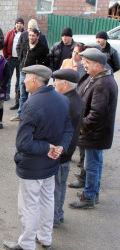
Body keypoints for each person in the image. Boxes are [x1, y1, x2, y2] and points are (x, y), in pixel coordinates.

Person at [3, 65, 73, 250]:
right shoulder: (62, 99)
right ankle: (45, 238)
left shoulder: (31, 105)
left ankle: (26, 243)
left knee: (29, 205)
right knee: (47, 200)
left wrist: (49, 147)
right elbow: (69, 128)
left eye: (26, 77)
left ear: (35, 80)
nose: (23, 80)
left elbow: (23, 143)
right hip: (51, 162)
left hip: (34, 165)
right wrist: (60, 148)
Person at [68, 48, 118, 209]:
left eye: (87, 62)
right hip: (94, 133)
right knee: (94, 163)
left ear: (98, 64)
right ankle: (93, 192)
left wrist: (81, 127)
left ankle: (89, 196)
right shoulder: (97, 77)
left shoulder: (103, 83)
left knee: (92, 165)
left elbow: (96, 115)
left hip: (94, 134)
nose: (83, 64)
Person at [52, 69, 84, 228]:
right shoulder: (73, 98)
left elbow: (61, 130)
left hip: (61, 153)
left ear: (64, 83)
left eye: (56, 80)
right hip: (65, 151)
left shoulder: (68, 102)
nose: (54, 83)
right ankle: (58, 214)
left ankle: (55, 217)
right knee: (59, 185)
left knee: (56, 187)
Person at [10, 28, 49, 122]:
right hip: (24, 73)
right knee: (22, 95)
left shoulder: (43, 47)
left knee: (35, 96)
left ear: (38, 37)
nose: (31, 37)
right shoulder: (25, 44)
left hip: (35, 75)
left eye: (33, 36)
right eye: (30, 35)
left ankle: (33, 116)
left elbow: (46, 62)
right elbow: (22, 56)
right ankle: (20, 114)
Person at [3, 17, 25, 106]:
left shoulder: (25, 33)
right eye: (17, 23)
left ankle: (17, 94)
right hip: (10, 58)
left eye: (20, 23)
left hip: (20, 60)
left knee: (19, 78)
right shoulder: (10, 33)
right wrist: (6, 56)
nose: (19, 25)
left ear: (23, 24)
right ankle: (7, 93)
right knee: (8, 76)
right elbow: (5, 44)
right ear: (15, 24)